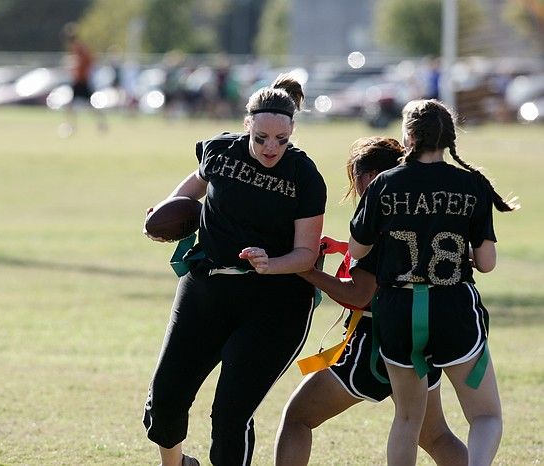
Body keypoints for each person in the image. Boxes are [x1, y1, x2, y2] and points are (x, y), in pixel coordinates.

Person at [142, 73, 327, 466]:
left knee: (230, 415)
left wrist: (270, 263)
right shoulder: (220, 150)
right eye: (261, 137)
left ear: (293, 129)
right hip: (207, 289)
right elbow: (193, 186)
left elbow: (306, 254)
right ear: (248, 125)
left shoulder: (305, 176)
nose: (270, 147)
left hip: (275, 304)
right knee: (166, 398)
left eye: (281, 139)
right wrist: (166, 207)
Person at [274, 137, 467, 466]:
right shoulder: (416, 210)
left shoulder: (377, 217)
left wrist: (305, 271)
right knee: (435, 435)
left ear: (371, 176)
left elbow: (360, 294)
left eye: (356, 178)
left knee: (298, 418)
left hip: (376, 344)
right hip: (420, 337)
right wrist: (341, 249)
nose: (356, 188)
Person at [348, 99, 518, 465]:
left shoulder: (384, 184)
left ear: (407, 136)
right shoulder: (471, 183)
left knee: (408, 419)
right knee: (486, 416)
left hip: (397, 309)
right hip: (452, 308)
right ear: (450, 137)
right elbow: (486, 263)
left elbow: (358, 251)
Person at [60, 23, 106, 137]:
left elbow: (88, 60)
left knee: (77, 105)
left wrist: (74, 66)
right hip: (80, 80)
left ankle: (73, 127)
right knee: (76, 105)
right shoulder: (77, 47)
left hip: (81, 81)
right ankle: (75, 126)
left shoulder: (78, 47)